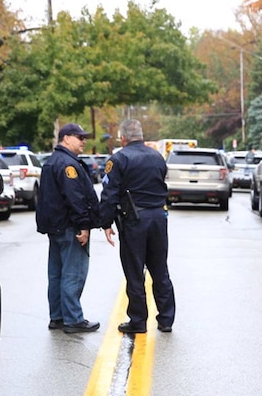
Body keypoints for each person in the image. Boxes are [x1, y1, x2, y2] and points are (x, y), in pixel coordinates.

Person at [99, 119, 176, 334]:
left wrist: (105, 222)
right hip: (159, 218)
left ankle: (138, 321)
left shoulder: (119, 158)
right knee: (160, 269)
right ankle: (167, 319)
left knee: (135, 272)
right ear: (141, 136)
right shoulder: (157, 157)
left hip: (134, 220)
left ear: (123, 138)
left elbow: (109, 194)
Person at [36, 122, 101, 334]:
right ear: (66, 138)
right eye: (79, 137)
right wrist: (83, 225)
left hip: (55, 227)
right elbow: (75, 198)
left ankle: (57, 316)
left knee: (56, 274)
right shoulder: (68, 165)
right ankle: (73, 319)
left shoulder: (52, 162)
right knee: (73, 273)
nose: (84, 141)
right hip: (70, 227)